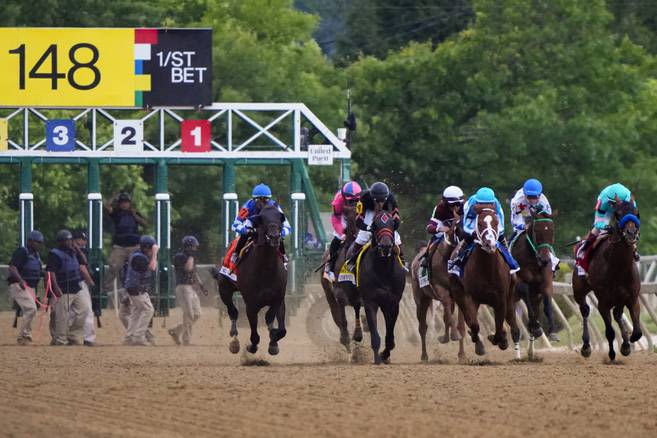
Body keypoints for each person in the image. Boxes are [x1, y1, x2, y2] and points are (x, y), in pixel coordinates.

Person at [448, 187, 519, 276]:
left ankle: (510, 261)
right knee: (467, 237)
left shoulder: (497, 206)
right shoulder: (470, 204)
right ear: (476, 202)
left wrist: (493, 235)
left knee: (501, 237)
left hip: (490, 222)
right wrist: (473, 232)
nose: (485, 207)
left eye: (489, 204)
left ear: (493, 203)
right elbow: (466, 225)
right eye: (481, 204)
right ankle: (457, 260)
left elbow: (501, 227)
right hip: (475, 219)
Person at [226, 183, 291, 273]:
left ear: (269, 199)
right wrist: (245, 230)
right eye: (260, 199)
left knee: (277, 236)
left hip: (268, 229)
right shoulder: (248, 206)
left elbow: (288, 226)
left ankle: (283, 255)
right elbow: (235, 225)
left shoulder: (275, 207)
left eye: (266, 199)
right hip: (253, 225)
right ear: (254, 199)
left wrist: (281, 232)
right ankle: (236, 254)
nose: (263, 202)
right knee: (244, 236)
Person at [575, 183, 638, 275]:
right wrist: (605, 227)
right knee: (598, 231)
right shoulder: (603, 200)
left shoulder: (629, 199)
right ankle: (583, 251)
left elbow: (634, 218)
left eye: (615, 203)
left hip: (623, 210)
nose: (613, 205)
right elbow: (598, 222)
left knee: (630, 230)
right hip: (606, 211)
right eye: (612, 203)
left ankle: (635, 250)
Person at [344, 181, 403, 271]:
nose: (380, 204)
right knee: (362, 237)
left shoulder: (391, 199)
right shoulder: (364, 199)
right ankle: (352, 261)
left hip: (386, 214)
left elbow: (396, 219)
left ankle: (402, 261)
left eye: (383, 201)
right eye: (377, 201)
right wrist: (369, 228)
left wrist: (391, 228)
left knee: (397, 238)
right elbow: (358, 220)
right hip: (369, 212)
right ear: (372, 198)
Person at [46, 229, 91, 346]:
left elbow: (84, 262)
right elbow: (50, 272)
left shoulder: (74, 252)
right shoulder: (54, 254)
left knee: (84, 310)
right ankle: (60, 339)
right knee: (62, 316)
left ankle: (72, 335)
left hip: (76, 286)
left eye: (70, 240)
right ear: (60, 242)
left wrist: (77, 250)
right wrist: (55, 288)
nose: (69, 242)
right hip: (63, 288)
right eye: (66, 240)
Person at [509, 179, 560, 271]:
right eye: (529, 197)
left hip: (537, 217)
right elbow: (516, 219)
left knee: (544, 235)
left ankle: (553, 260)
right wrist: (524, 226)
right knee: (516, 234)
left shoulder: (543, 202)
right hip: (522, 214)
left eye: (535, 197)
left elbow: (546, 220)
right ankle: (509, 256)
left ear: (539, 195)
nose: (532, 200)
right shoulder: (517, 201)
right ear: (524, 194)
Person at [103, 192, 147, 294]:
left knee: (137, 268)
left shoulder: (134, 212)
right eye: (122, 202)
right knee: (114, 266)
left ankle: (140, 288)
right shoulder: (116, 213)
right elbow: (106, 207)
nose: (124, 204)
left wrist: (135, 215)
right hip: (120, 246)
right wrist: (114, 196)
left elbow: (145, 224)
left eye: (126, 202)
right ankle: (106, 291)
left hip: (134, 246)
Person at [7, 230, 44, 345]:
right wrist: (21, 280)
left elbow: (35, 270)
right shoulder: (22, 252)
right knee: (31, 309)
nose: (40, 244)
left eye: (41, 242)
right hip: (20, 285)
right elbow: (12, 267)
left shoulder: (36, 255)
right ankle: (24, 336)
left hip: (30, 286)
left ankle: (26, 335)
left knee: (31, 309)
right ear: (30, 241)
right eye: (37, 242)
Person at [169, 236, 207, 346]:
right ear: (189, 247)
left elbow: (194, 272)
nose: (195, 249)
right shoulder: (180, 256)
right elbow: (188, 268)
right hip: (182, 287)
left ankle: (176, 331)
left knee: (197, 314)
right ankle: (186, 340)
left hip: (190, 287)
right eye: (194, 247)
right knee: (189, 314)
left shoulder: (191, 257)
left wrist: (201, 285)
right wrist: (190, 257)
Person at [123, 235, 159, 346]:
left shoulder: (139, 255)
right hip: (136, 288)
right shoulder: (139, 257)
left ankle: (129, 338)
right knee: (149, 310)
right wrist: (155, 253)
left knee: (136, 312)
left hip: (134, 287)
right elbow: (153, 267)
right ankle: (138, 336)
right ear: (147, 247)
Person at [324, 181, 362, 282]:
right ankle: (330, 267)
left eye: (356, 200)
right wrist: (341, 233)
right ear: (345, 198)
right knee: (337, 237)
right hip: (343, 216)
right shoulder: (338, 201)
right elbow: (335, 219)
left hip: (358, 215)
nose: (354, 203)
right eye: (351, 201)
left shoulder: (364, 198)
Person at [70, 230, 97, 346]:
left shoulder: (81, 251)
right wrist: (90, 282)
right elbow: (82, 268)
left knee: (76, 311)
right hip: (77, 282)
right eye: (81, 240)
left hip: (74, 283)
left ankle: (73, 337)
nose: (83, 242)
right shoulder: (73, 251)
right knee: (85, 311)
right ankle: (87, 338)